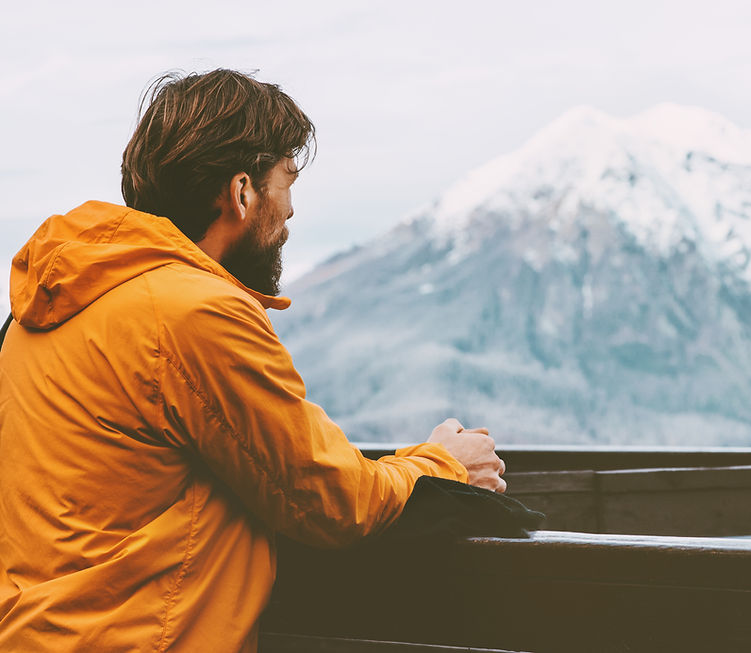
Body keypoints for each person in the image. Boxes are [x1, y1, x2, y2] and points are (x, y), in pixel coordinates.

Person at [0, 69, 506, 652]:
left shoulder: (48, 305)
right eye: (286, 181)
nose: (291, 211)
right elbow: (328, 498)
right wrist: (445, 465)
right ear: (242, 192)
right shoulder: (194, 311)